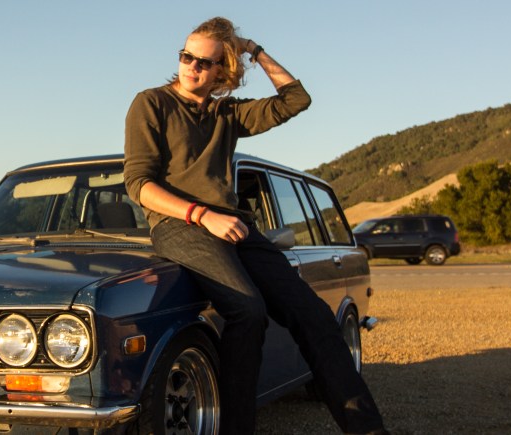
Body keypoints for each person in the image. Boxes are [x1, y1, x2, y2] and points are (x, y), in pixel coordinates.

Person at [123, 17, 387, 434]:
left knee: (314, 315)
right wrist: (201, 214)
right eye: (186, 56)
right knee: (248, 310)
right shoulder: (151, 103)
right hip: (179, 225)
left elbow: (296, 98)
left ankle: (367, 429)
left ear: (221, 71)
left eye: (204, 62)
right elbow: (139, 184)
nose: (192, 66)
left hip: (232, 225)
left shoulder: (227, 113)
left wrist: (255, 50)